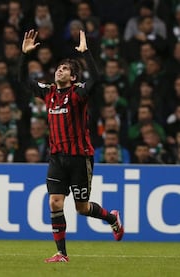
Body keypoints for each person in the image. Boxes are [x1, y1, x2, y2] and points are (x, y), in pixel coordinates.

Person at [19, 29, 124, 263]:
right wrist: (24, 55)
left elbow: (96, 80)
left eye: (65, 69)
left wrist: (86, 53)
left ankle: (112, 218)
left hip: (80, 158)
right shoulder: (49, 93)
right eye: (59, 68)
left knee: (82, 208)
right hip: (56, 157)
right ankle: (61, 253)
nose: (60, 70)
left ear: (74, 77)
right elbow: (21, 81)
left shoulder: (78, 94)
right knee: (55, 201)